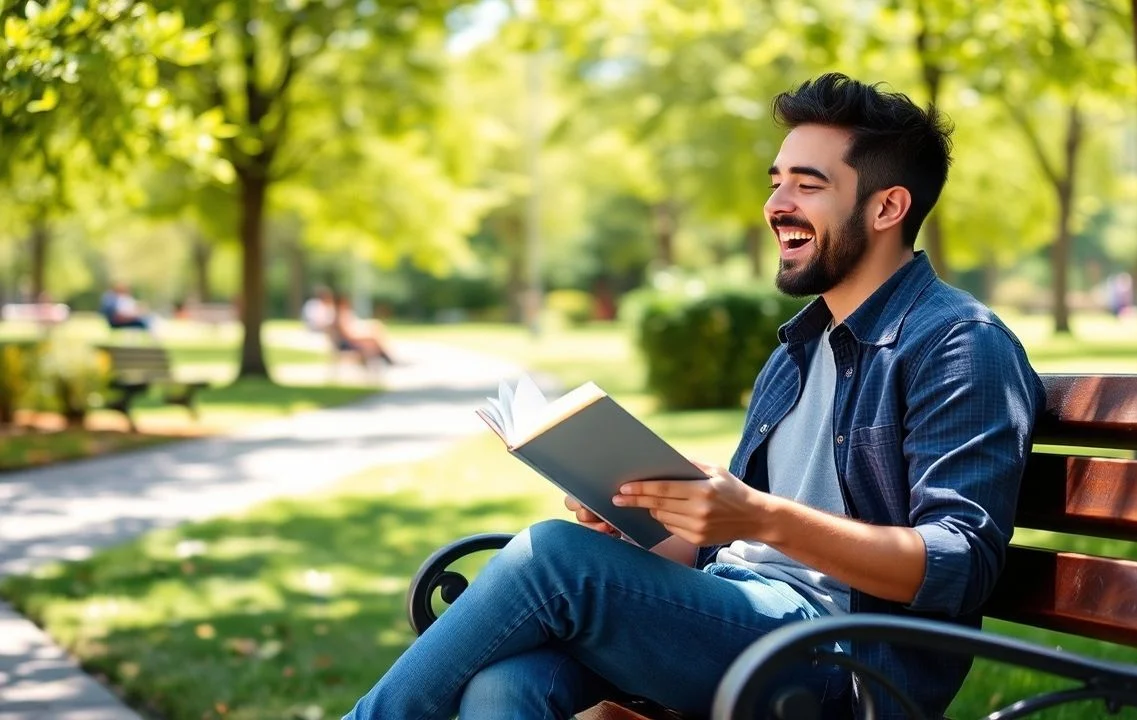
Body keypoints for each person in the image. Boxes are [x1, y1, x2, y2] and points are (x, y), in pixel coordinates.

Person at [344, 74, 1045, 720]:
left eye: (807, 185)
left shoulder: (958, 344)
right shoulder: (796, 352)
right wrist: (641, 527)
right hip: (741, 618)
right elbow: (733, 546)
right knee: (510, 685)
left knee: (548, 558)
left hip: (843, 662)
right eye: (776, 182)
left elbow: (959, 564)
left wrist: (766, 519)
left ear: (888, 205)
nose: (776, 205)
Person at [329, 293, 397, 366]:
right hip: (348, 344)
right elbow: (348, 335)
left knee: (375, 332)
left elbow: (354, 326)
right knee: (373, 340)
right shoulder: (340, 317)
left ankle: (388, 359)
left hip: (350, 341)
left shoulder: (343, 315)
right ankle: (389, 360)